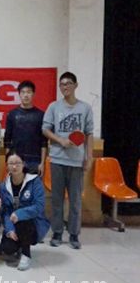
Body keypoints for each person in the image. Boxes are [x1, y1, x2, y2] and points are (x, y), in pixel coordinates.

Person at [42, 71, 94, 249]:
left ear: (75, 85)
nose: (65, 87)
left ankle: (74, 234)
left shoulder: (85, 108)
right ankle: (57, 232)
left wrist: (89, 157)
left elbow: (89, 134)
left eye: (69, 83)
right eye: (62, 84)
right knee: (57, 199)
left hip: (77, 161)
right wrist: (60, 140)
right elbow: (45, 129)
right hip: (57, 159)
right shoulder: (54, 107)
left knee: (75, 200)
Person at [0, 150, 51, 271]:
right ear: (7, 166)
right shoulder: (4, 186)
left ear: (23, 164)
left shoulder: (35, 181)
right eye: (11, 163)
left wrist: (20, 214)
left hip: (33, 224)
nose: (14, 166)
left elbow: (39, 206)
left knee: (23, 221)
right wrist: (9, 229)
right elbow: (5, 211)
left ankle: (26, 254)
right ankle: (19, 244)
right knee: (8, 249)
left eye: (18, 163)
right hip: (13, 224)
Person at [4, 80, 47, 175]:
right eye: (23, 92)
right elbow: (7, 141)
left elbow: (44, 142)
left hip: (35, 160)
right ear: (19, 94)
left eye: (28, 92)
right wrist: (8, 162)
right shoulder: (12, 114)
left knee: (33, 184)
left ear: (33, 94)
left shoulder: (41, 115)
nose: (26, 95)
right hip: (16, 160)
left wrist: (42, 163)